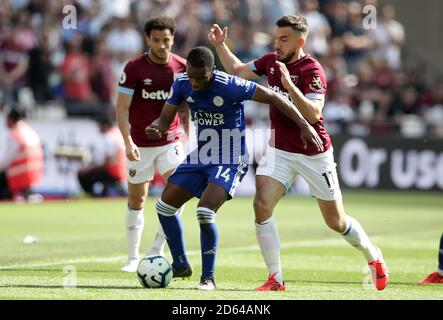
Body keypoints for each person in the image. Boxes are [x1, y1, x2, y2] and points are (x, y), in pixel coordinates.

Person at [208, 15, 389, 291]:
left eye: (284, 39)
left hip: (314, 153)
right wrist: (221, 46)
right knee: (261, 206)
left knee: (336, 222)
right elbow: (239, 70)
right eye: (276, 38)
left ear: (300, 41)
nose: (277, 44)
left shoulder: (312, 70)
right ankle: (275, 278)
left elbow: (314, 113)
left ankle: (373, 255)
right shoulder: (270, 60)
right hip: (279, 149)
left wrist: (289, 85)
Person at [145, 46, 323, 290]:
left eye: (201, 77)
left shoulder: (229, 84)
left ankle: (208, 279)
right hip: (202, 154)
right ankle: (180, 264)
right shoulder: (182, 83)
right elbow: (165, 119)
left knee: (205, 211)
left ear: (212, 71)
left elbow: (274, 97)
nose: (195, 83)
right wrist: (158, 127)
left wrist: (304, 124)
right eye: (192, 76)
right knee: (164, 206)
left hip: (230, 156)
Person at [116, 16, 190, 272]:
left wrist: (187, 137)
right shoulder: (134, 68)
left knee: (177, 193)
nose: (161, 45)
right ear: (148, 39)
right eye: (156, 40)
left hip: (170, 140)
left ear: (172, 39)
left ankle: (156, 250)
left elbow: (186, 108)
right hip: (139, 143)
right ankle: (132, 257)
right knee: (137, 199)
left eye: (166, 40)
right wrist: (127, 141)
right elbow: (122, 109)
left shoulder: (182, 67)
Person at [77, 115, 126, 197]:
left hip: (113, 172)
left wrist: (90, 168)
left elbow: (108, 162)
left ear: (105, 125)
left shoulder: (108, 138)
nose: (98, 128)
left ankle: (91, 196)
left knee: (82, 174)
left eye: (99, 125)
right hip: (123, 171)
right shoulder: (117, 133)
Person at [0, 109, 43, 200]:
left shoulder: (15, 135)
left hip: (19, 176)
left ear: (11, 119)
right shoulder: (29, 131)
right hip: (34, 176)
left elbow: (6, 161)